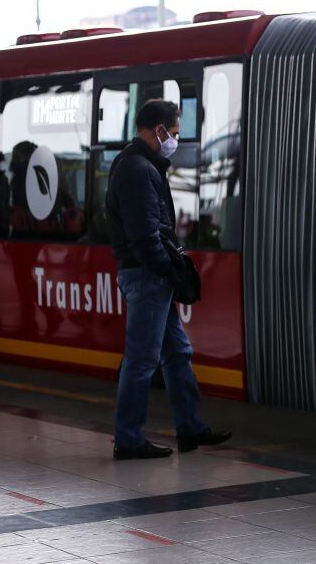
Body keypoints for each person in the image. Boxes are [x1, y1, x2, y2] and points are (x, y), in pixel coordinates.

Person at [106, 99, 231, 460]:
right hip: (147, 277)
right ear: (158, 130)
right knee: (143, 360)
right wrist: (166, 269)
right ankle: (128, 439)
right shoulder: (136, 169)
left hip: (152, 276)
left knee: (177, 352)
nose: (175, 139)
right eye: (173, 133)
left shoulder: (142, 165)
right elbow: (144, 235)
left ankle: (189, 427)